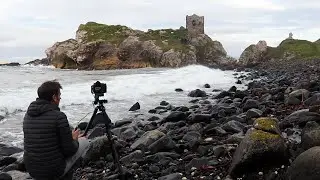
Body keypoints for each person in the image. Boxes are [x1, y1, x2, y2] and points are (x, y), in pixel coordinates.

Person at [23, 80, 90, 180]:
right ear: (54, 97)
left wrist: (69, 138)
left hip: (32, 170)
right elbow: (70, 150)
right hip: (53, 172)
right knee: (85, 142)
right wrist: (74, 139)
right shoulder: (59, 116)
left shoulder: (28, 115)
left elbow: (46, 140)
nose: (60, 98)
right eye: (59, 95)